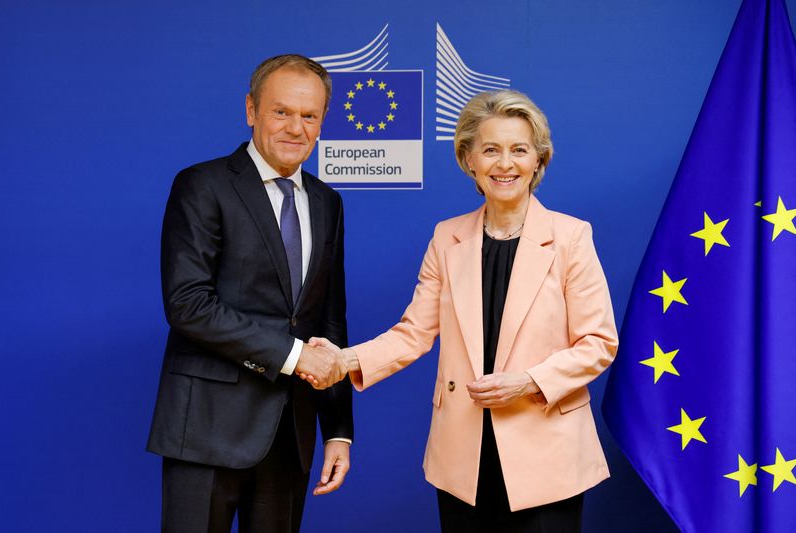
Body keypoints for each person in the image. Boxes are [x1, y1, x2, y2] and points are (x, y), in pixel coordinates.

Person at [307, 89, 618, 532]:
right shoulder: (446, 238)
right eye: (490, 149)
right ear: (468, 159)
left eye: (519, 150)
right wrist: (344, 360)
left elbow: (599, 343)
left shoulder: (571, 238)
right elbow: (413, 332)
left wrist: (529, 381)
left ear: (538, 160)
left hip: (548, 453)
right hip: (464, 455)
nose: (505, 163)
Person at [147, 54, 353, 533]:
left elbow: (329, 322)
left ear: (322, 122)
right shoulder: (202, 185)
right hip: (206, 429)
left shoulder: (327, 201)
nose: (295, 128)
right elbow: (188, 304)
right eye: (281, 111)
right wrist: (294, 357)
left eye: (309, 116)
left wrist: (338, 430)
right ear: (251, 110)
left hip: (291, 435)